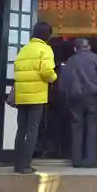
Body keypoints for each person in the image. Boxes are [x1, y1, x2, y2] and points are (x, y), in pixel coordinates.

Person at [13, 22, 57, 174]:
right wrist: (54, 77)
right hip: (37, 96)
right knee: (33, 130)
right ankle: (26, 165)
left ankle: (17, 164)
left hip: (21, 95)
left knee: (21, 130)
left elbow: (16, 69)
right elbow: (47, 72)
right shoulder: (45, 49)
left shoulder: (24, 50)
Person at [59, 38, 97, 168]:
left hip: (75, 99)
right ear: (89, 47)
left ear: (75, 48)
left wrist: (65, 97)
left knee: (76, 127)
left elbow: (63, 83)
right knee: (92, 127)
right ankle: (90, 160)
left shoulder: (70, 62)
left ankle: (76, 159)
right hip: (94, 97)